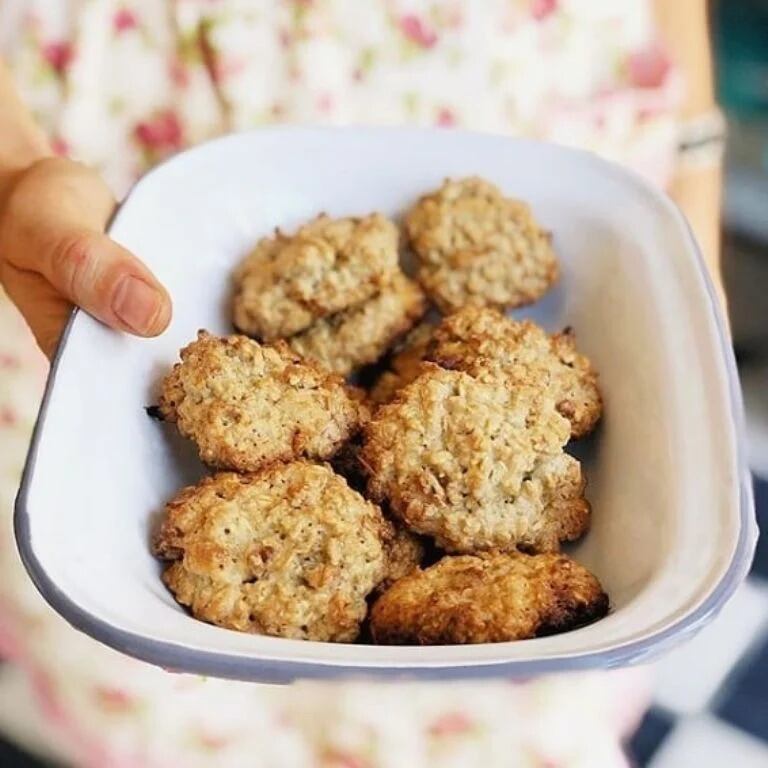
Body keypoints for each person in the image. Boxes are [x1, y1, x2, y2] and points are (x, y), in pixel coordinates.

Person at [0, 2, 724, 766]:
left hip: (539, 85)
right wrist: (12, 168)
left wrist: (698, 182)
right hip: (107, 136)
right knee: (160, 717)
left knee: (512, 721)